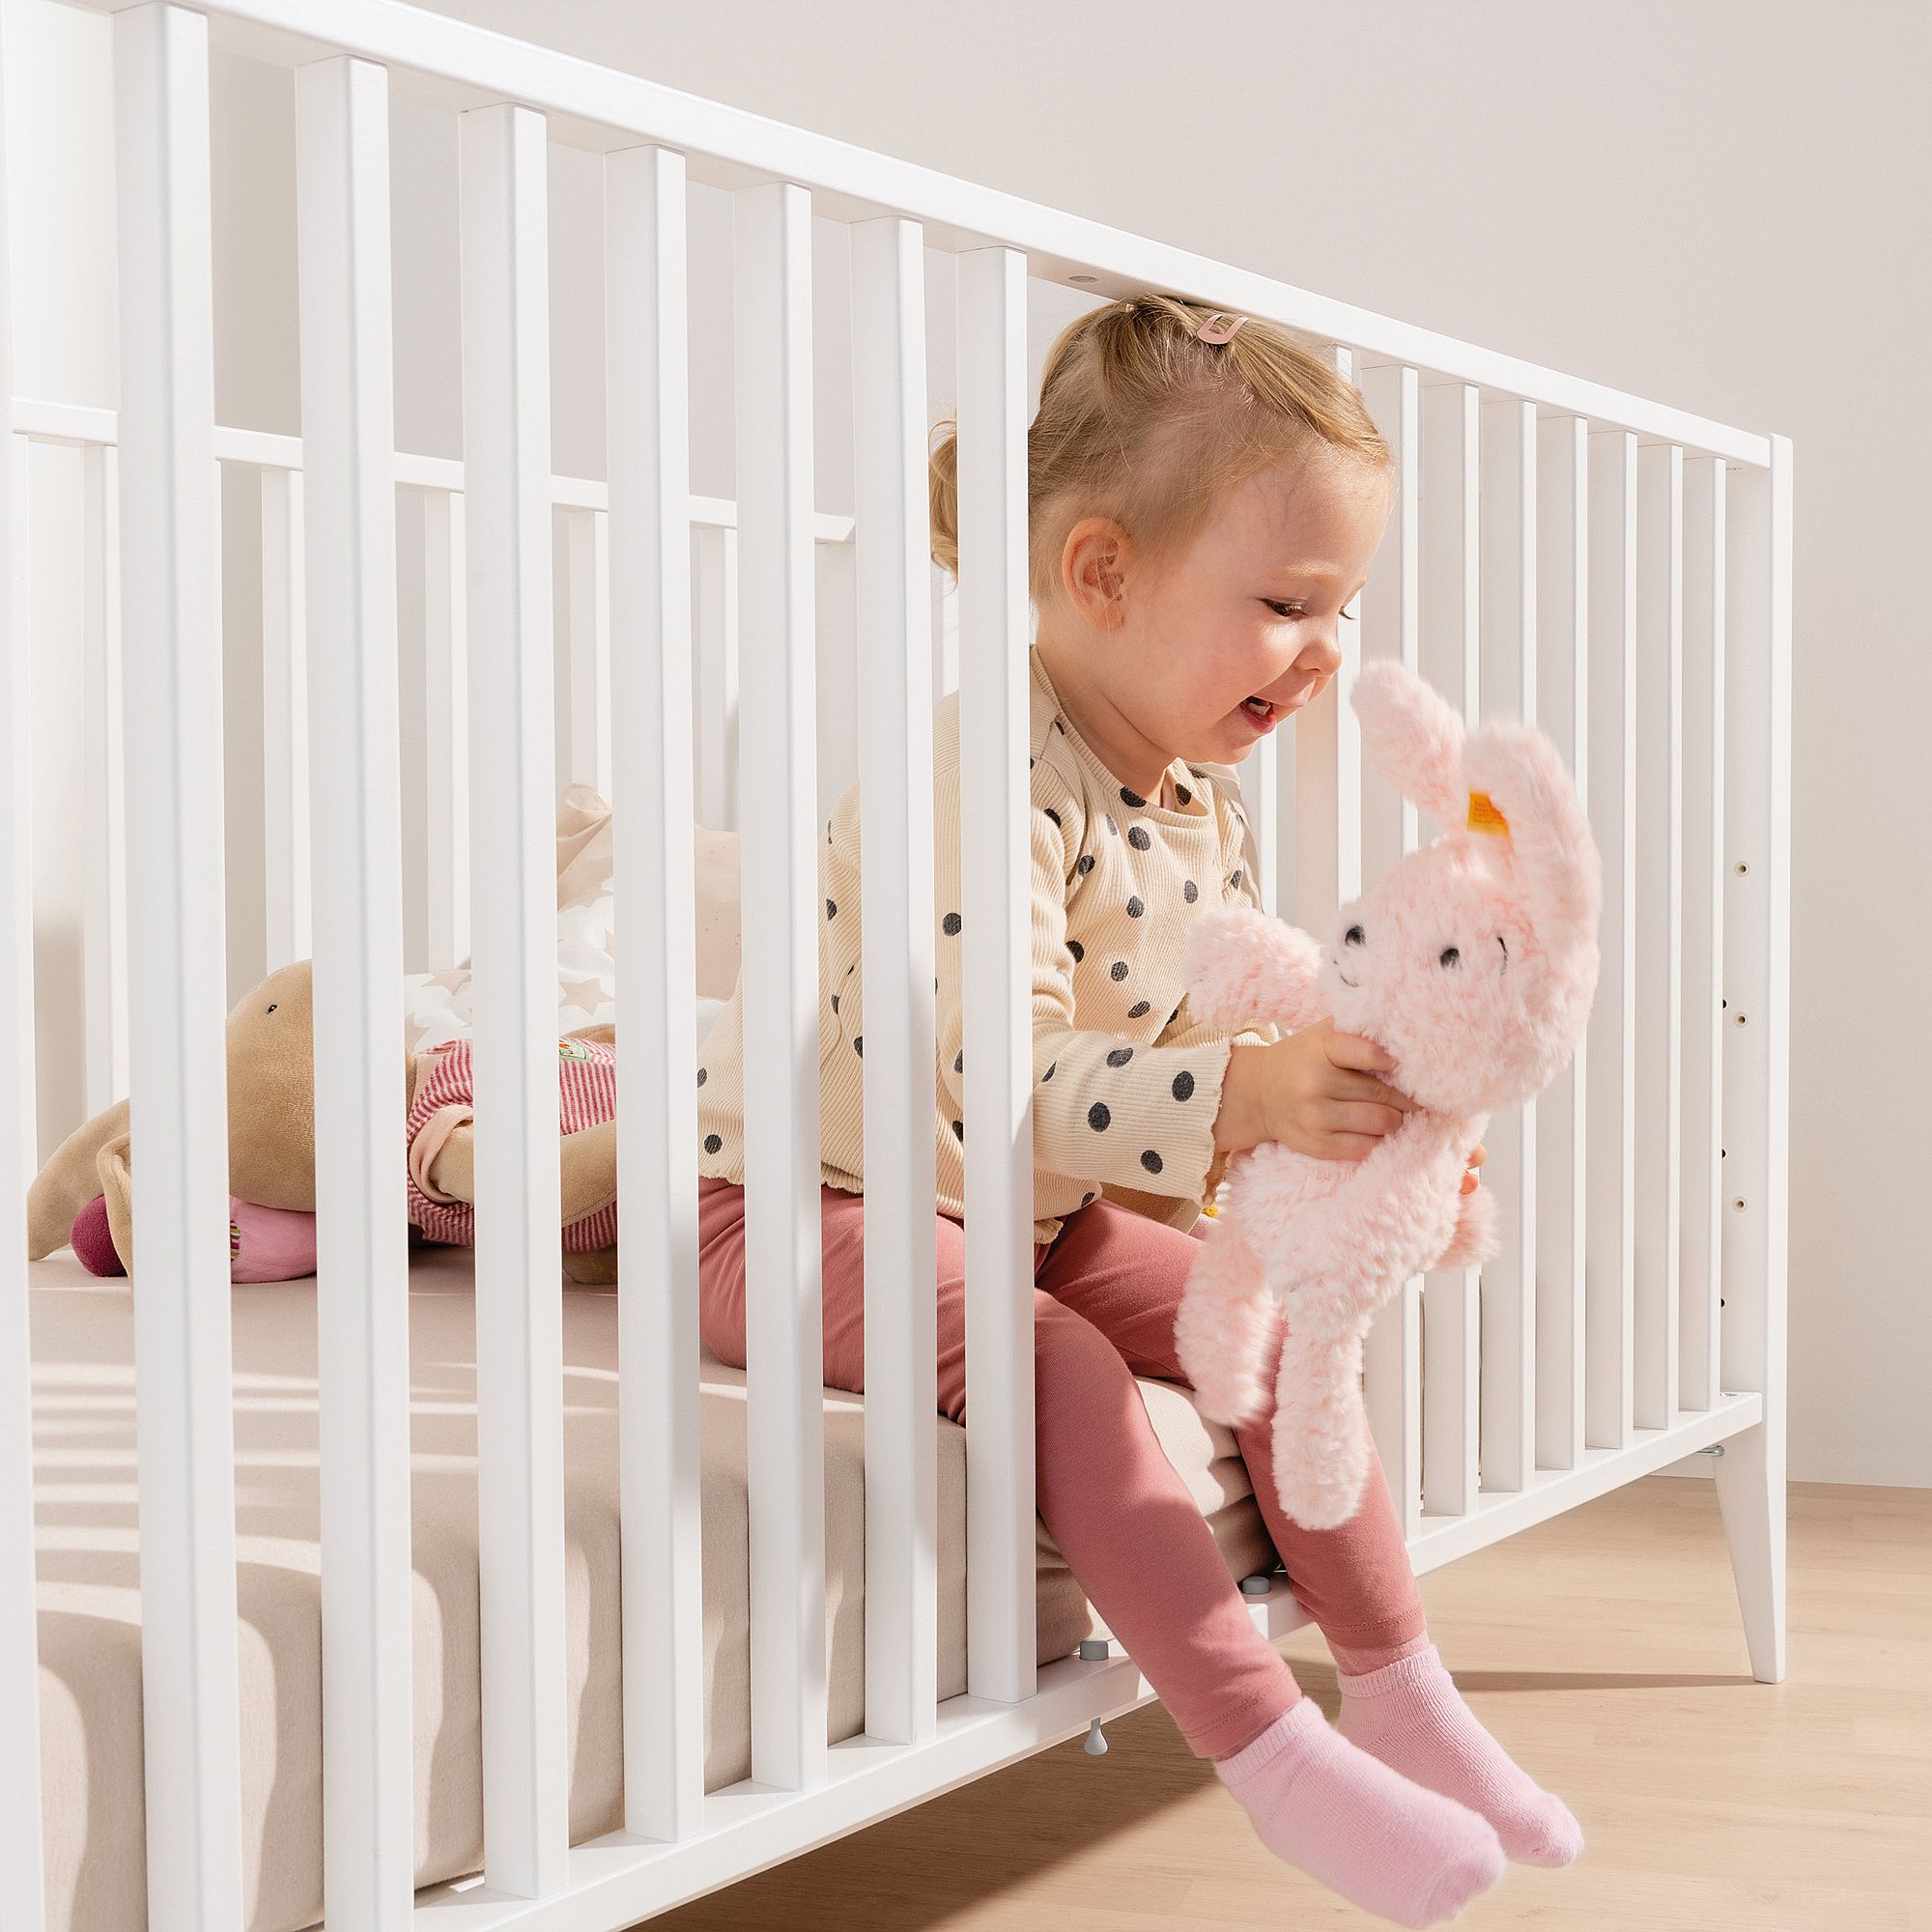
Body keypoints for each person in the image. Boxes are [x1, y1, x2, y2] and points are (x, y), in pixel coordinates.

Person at [693, 293, 1579, 1926]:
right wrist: (1244, 1100)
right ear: (1102, 574)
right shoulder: (977, 771)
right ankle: (1269, 1759)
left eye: (1344, 609)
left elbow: (1222, 1023)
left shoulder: (1194, 798)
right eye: (1288, 604)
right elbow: (1003, 1072)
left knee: (1296, 1325)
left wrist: (1354, 1156)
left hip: (1027, 1208)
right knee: (1068, 1365)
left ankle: (1401, 1695)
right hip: (813, 1205)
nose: (1328, 652)